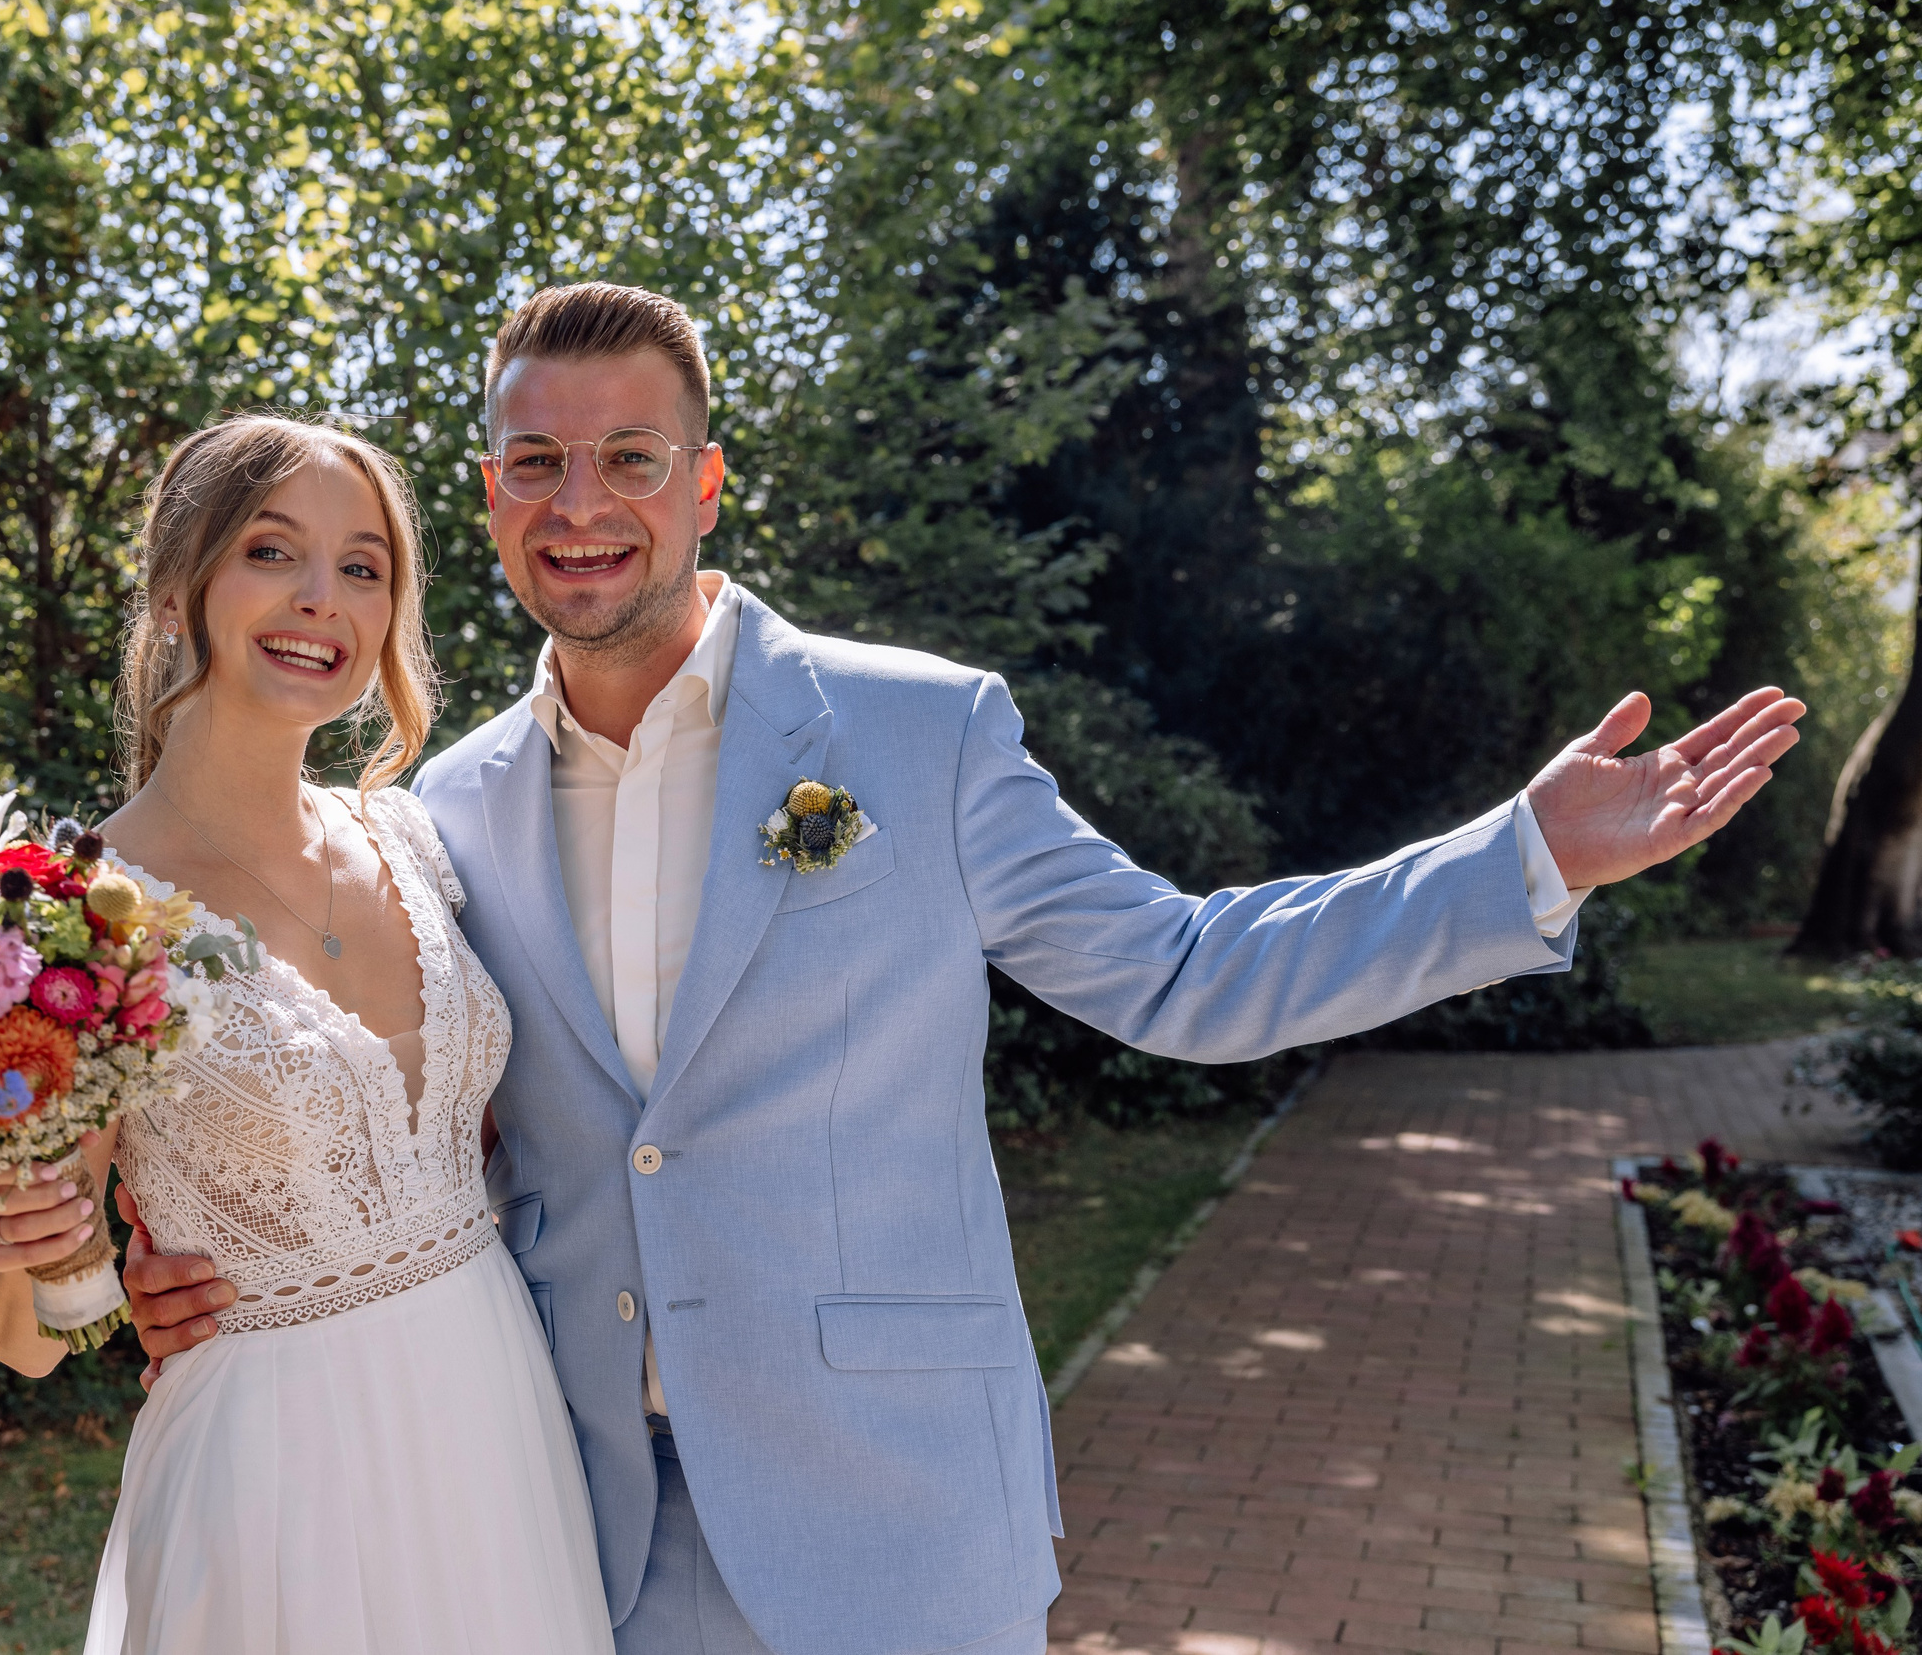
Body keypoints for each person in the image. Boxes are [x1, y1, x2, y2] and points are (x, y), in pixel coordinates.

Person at [120, 284, 1807, 1655]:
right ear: (488, 493)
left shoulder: (920, 730)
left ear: (705, 486)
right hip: (569, 1536)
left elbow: (1190, 971)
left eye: (630, 457)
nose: (581, 506)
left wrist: (1528, 853)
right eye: (536, 461)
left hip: (895, 1525)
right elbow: (405, 1117)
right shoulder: (438, 814)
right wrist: (189, 1256)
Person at [0, 416, 617, 1654]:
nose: (323, 597)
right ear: (171, 593)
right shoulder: (75, 915)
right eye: (272, 550)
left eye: (363, 567)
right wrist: (13, 1245)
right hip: (274, 1476)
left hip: (497, 1422)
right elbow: (31, 1330)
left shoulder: (413, 841)